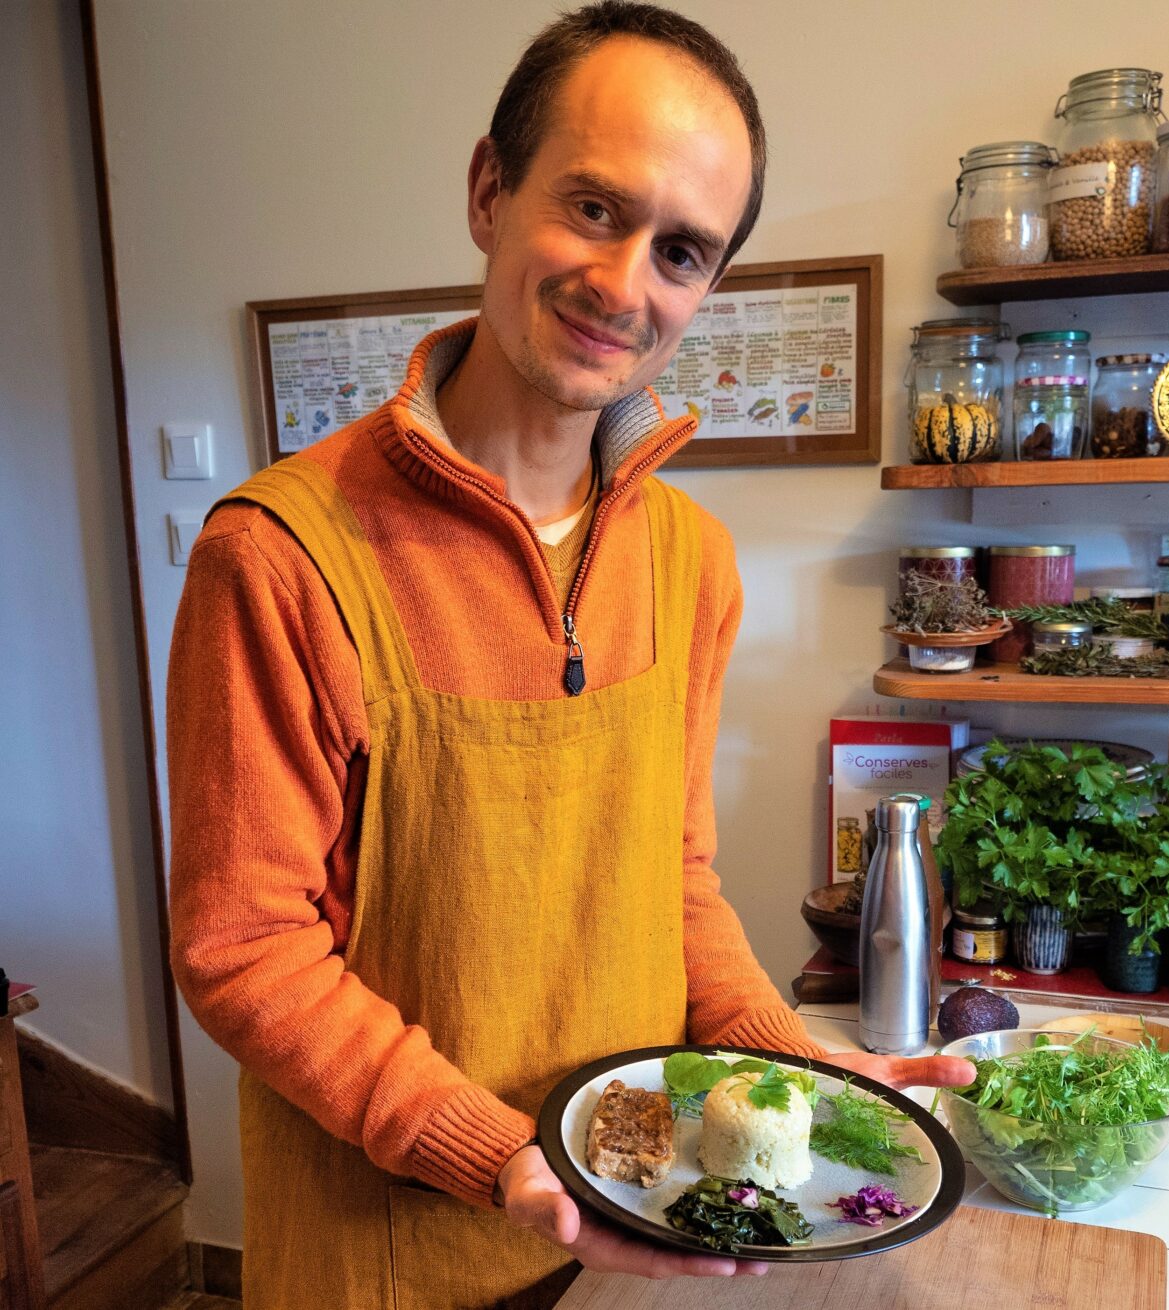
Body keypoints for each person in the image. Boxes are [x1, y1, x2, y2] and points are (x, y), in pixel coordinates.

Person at [167, 4, 970, 1306]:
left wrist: (792, 1068)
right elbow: (243, 948)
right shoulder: (279, 555)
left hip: (637, 1218)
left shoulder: (693, 558)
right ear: (490, 190)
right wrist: (498, 1155)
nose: (624, 283)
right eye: (594, 208)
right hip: (387, 1255)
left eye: (682, 252)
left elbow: (674, 879)